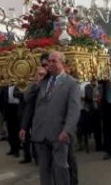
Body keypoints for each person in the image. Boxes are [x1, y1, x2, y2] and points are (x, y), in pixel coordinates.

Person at [23, 51, 80, 185]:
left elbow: (74, 110)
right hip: (40, 134)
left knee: (60, 168)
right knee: (44, 171)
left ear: (62, 63)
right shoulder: (42, 81)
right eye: (49, 61)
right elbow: (27, 98)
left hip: (59, 134)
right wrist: (36, 82)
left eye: (54, 61)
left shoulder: (71, 83)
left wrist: (67, 130)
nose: (50, 64)